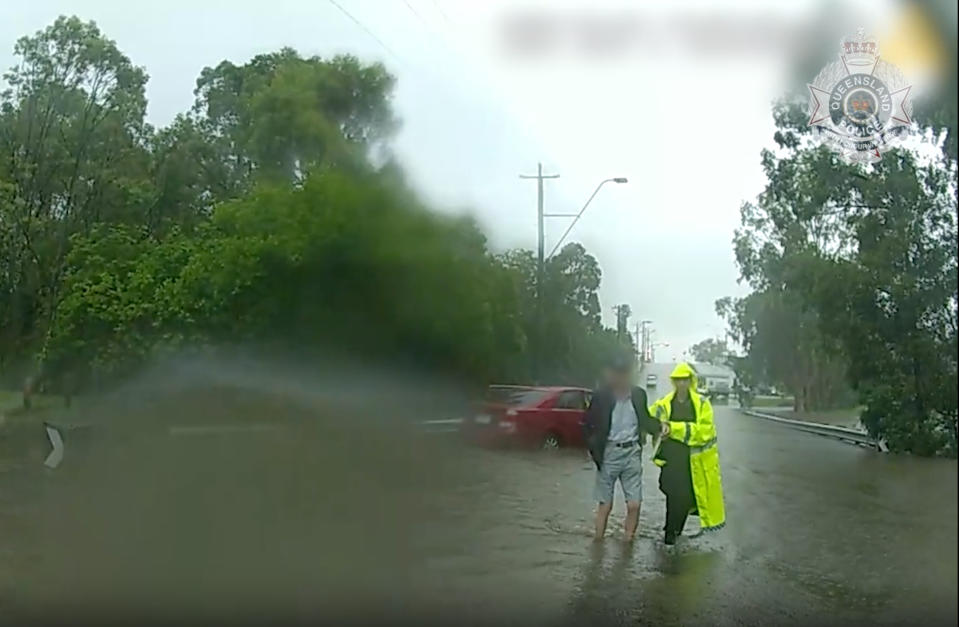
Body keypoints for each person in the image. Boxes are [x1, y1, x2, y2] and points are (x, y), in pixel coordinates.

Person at [582, 353, 660, 542]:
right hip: (608, 453)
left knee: (634, 505)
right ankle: (598, 542)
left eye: (624, 373)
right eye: (617, 373)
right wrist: (594, 448)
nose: (620, 377)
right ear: (611, 375)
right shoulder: (602, 396)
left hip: (632, 452)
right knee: (605, 505)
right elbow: (588, 423)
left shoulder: (639, 395)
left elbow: (645, 419)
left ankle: (628, 543)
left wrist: (661, 427)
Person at [650, 362, 726, 545]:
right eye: (678, 380)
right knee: (670, 492)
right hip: (670, 458)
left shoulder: (701, 404)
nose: (681, 384)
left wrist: (673, 428)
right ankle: (671, 532)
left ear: (691, 381)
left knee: (684, 498)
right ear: (673, 382)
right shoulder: (665, 402)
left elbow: (704, 432)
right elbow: (649, 419)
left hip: (692, 460)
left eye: (685, 380)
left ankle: (673, 533)